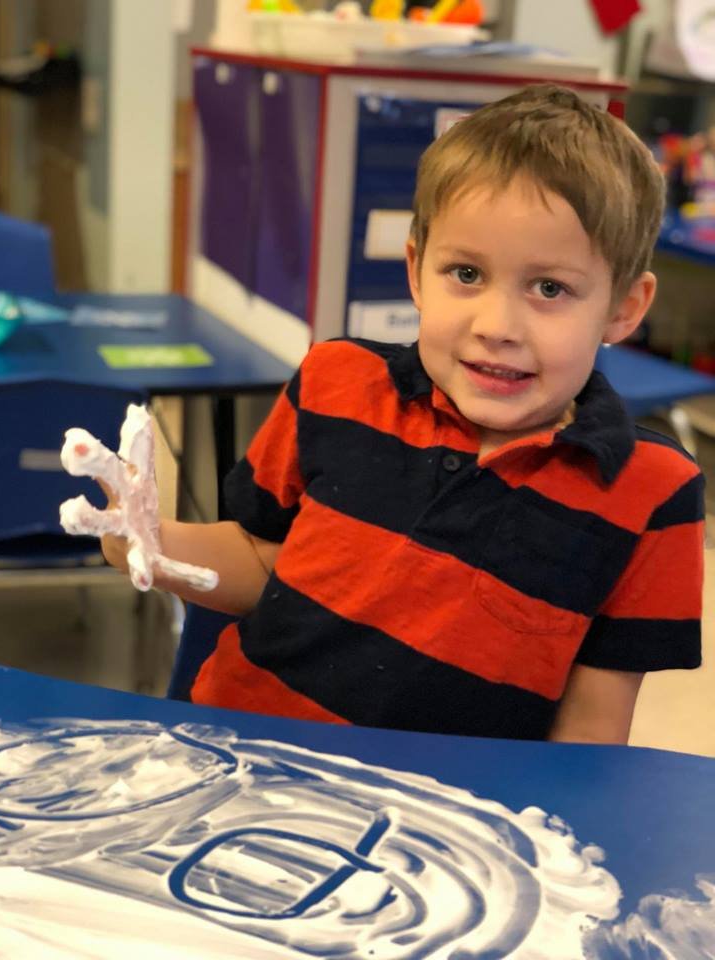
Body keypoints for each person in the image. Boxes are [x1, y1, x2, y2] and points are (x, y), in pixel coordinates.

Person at [103, 84, 704, 744]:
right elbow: (262, 559)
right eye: (466, 274)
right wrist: (147, 539)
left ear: (624, 308)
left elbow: (590, 731)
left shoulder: (652, 495)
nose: (496, 326)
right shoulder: (334, 382)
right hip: (242, 754)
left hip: (437, 804)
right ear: (417, 271)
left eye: (550, 288)